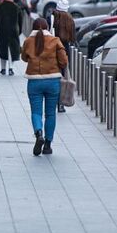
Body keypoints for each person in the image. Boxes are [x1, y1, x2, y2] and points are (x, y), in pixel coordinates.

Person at [21, 17, 68, 156]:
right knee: (50, 114)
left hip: (34, 81)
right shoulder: (55, 41)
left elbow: (24, 58)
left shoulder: (28, 41)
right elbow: (64, 61)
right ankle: (47, 145)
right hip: (53, 81)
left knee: (36, 112)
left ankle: (38, 133)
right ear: (48, 27)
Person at [50, 0, 76, 113]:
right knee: (64, 76)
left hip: (53, 49)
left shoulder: (52, 17)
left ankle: (53, 101)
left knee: (54, 76)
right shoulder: (70, 19)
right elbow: (73, 38)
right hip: (65, 50)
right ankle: (61, 104)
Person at [0, 0, 22, 76]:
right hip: (13, 31)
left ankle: (3, 69)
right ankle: (11, 68)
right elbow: (20, 21)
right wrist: (19, 31)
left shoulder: (0, 6)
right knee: (12, 49)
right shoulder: (17, 7)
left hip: (2, 31)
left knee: (3, 49)